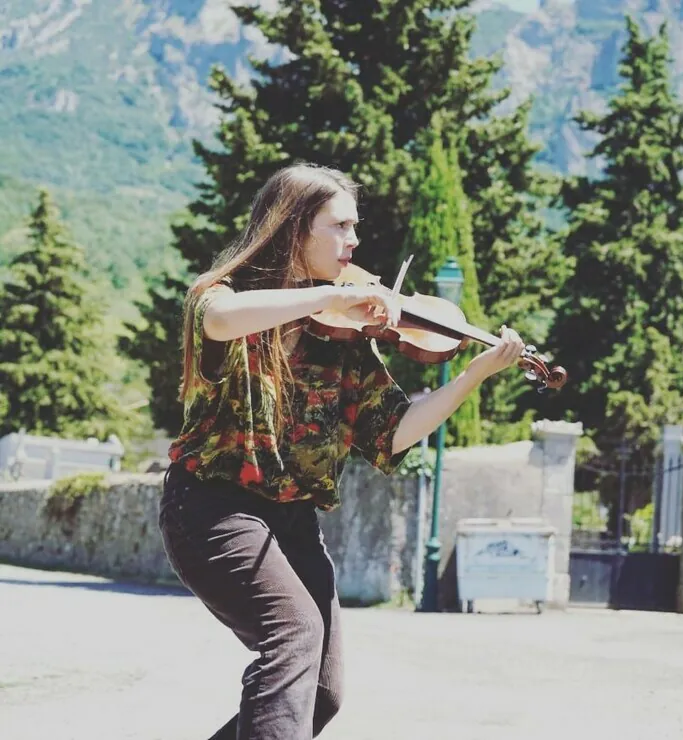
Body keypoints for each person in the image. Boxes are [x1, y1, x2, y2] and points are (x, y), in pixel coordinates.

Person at [159, 163, 524, 740]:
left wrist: (473, 375)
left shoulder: (345, 341)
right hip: (212, 508)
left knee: (322, 692)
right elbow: (220, 321)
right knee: (293, 634)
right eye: (341, 226)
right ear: (295, 228)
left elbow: (395, 432)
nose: (355, 242)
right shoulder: (224, 297)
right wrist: (329, 295)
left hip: (291, 519)